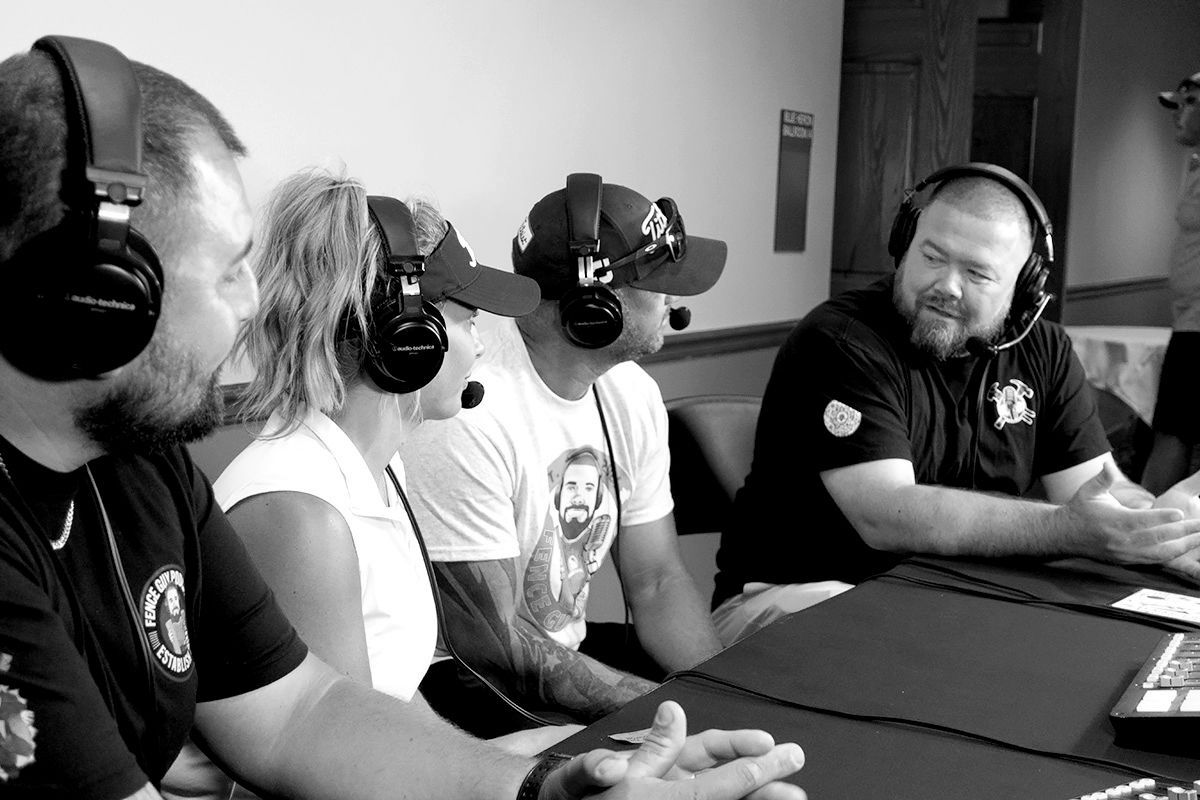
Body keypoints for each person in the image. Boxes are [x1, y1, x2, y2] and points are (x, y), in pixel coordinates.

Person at [0, 35, 810, 800]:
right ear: (96, 299)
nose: (253, 309)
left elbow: (302, 714)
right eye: (225, 275)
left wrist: (544, 787)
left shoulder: (146, 466)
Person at [712, 162, 1200, 645]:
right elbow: (886, 513)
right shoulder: (841, 342)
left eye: (977, 273)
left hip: (945, 595)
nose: (946, 285)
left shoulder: (1045, 350)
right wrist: (1067, 528)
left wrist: (1158, 524)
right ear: (904, 245)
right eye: (932, 256)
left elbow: (1094, 490)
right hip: (794, 596)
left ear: (1024, 286)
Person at [401, 173, 728, 735]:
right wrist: (669, 713)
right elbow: (492, 647)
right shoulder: (469, 410)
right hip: (467, 691)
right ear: (595, 306)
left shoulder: (631, 393)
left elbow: (656, 580)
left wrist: (722, 693)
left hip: (553, 661)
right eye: (659, 280)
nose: (673, 296)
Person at [1140, 71, 1200, 495]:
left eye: (1190, 102)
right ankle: (1147, 537)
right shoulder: (1195, 164)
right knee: (1172, 433)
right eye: (1177, 103)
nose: (1178, 113)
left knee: (1172, 436)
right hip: (1189, 325)